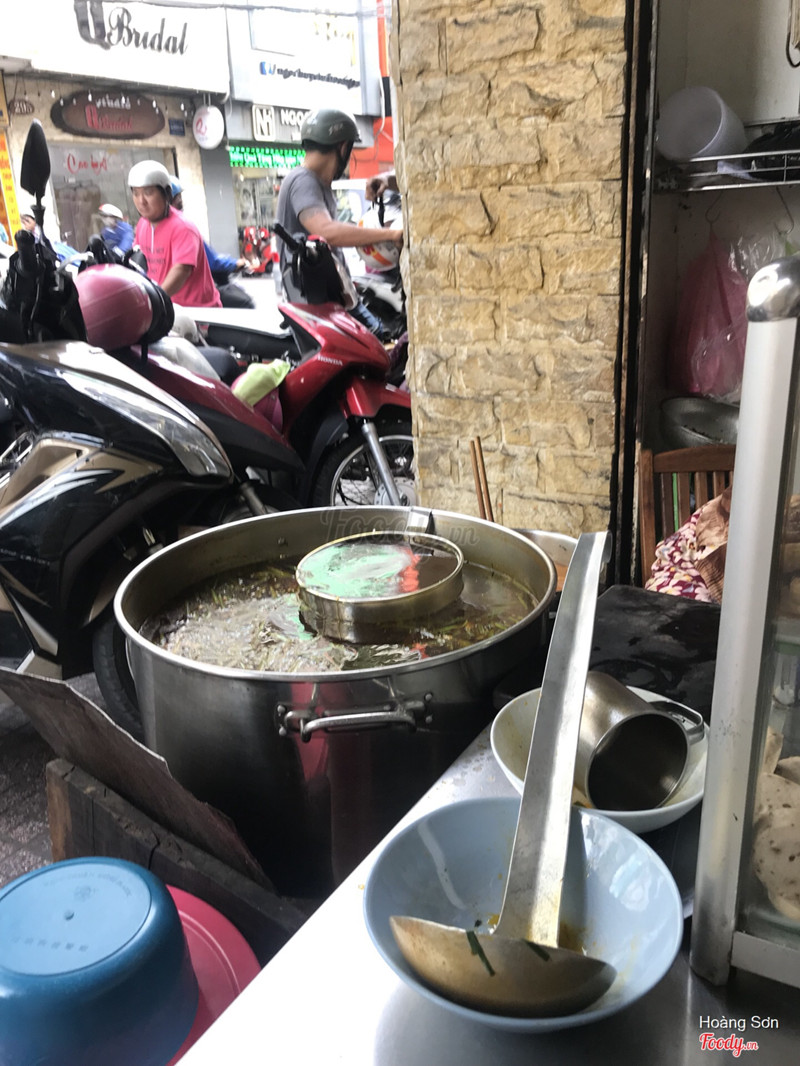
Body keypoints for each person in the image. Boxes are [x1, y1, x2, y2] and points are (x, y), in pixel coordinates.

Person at [275, 108, 403, 335]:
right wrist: (391, 235)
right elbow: (327, 231)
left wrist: (385, 178)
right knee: (377, 344)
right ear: (343, 147)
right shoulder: (303, 180)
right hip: (317, 308)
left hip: (332, 301)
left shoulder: (315, 182)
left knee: (379, 341)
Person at [127, 160, 221, 308]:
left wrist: (156, 301)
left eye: (148, 193)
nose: (141, 201)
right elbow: (136, 260)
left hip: (196, 313)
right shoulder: (142, 225)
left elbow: (181, 270)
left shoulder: (182, 228)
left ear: (166, 194)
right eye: (136, 193)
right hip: (165, 310)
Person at [167, 176, 253, 307]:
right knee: (245, 302)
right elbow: (212, 262)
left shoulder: (146, 229)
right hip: (193, 298)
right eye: (178, 197)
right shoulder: (183, 228)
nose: (180, 201)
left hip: (170, 300)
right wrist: (236, 263)